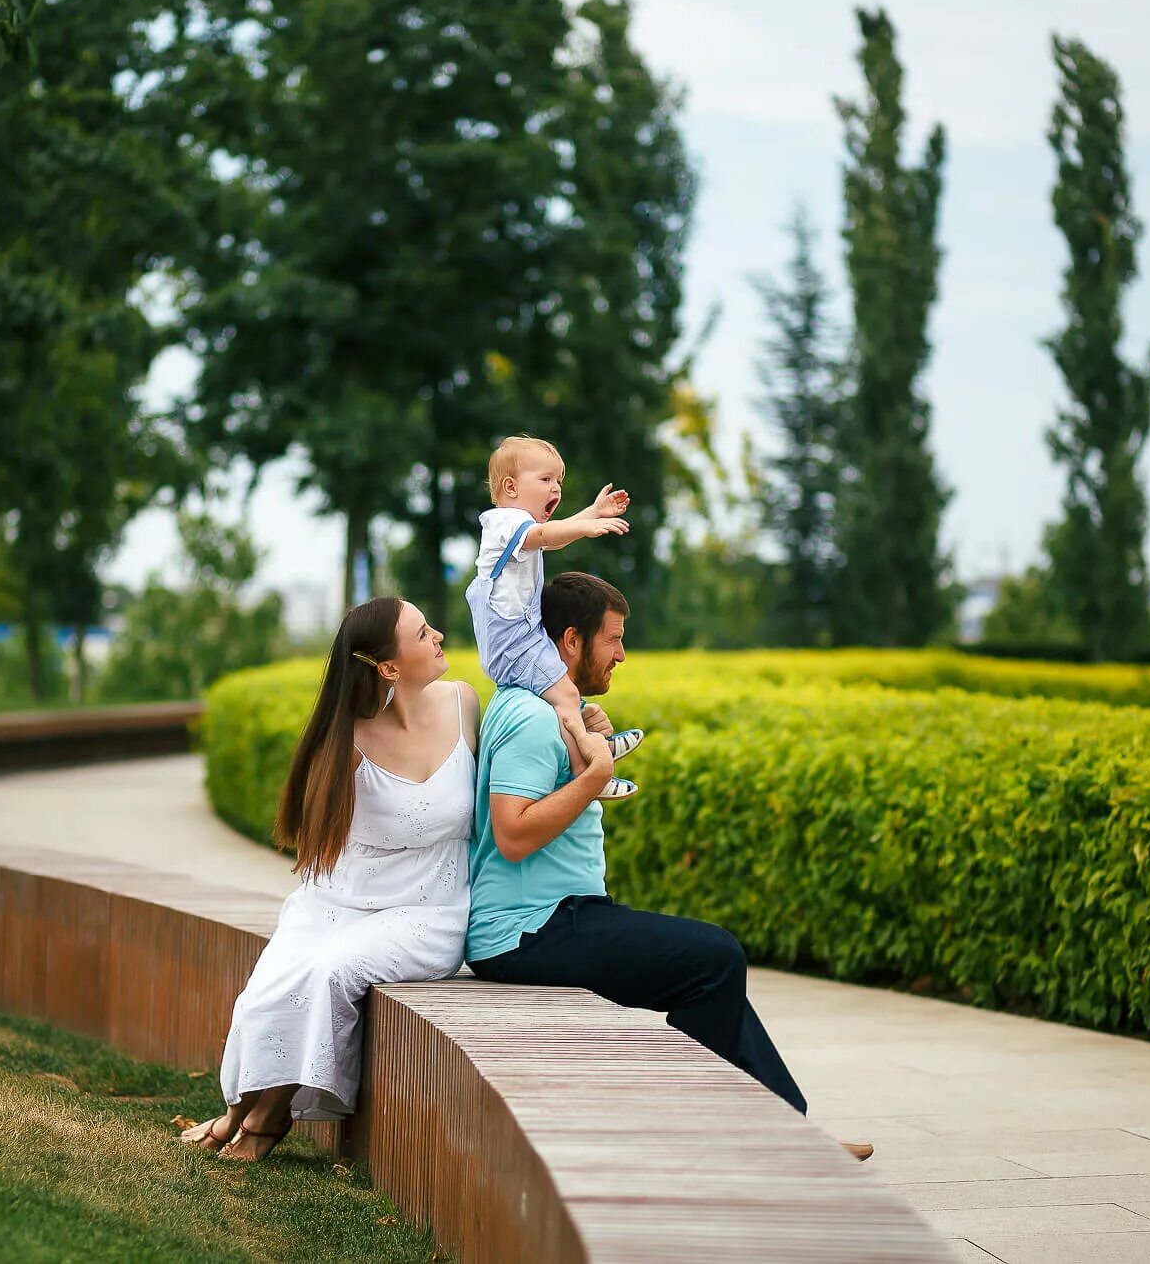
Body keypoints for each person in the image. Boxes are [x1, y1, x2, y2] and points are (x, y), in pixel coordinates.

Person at [464, 571, 873, 1161]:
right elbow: (512, 832)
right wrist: (596, 775)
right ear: (572, 642)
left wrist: (587, 746)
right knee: (713, 958)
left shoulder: (553, 710)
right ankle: (726, 1136)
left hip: (555, 918)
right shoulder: (530, 716)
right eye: (614, 639)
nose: (622, 654)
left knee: (711, 970)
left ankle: (786, 1130)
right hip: (528, 931)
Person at [181, 597, 478, 1161]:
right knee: (270, 986)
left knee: (329, 971)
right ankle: (235, 1113)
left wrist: (577, 726)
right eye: (422, 633)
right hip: (340, 900)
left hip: (431, 911)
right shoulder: (348, 739)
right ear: (389, 667)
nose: (438, 635)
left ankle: (268, 1120)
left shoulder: (463, 703)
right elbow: (318, 838)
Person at [465, 434, 645, 800]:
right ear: (511, 487)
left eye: (559, 481)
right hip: (513, 641)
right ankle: (589, 771)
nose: (556, 488)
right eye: (546, 479)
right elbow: (547, 534)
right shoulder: (504, 522)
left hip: (522, 634)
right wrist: (585, 527)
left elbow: (552, 537)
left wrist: (593, 513)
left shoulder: (524, 529)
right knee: (564, 692)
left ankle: (591, 748)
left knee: (564, 691)